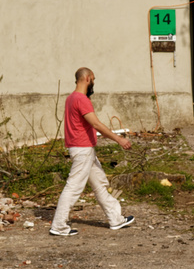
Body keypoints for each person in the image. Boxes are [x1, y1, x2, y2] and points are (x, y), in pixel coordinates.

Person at [48, 66, 134, 235]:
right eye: (93, 79)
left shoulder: (71, 98)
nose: (93, 83)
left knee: (100, 183)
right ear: (87, 79)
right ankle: (58, 225)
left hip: (82, 149)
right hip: (82, 150)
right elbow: (96, 124)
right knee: (73, 187)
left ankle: (116, 219)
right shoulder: (81, 99)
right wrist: (119, 139)